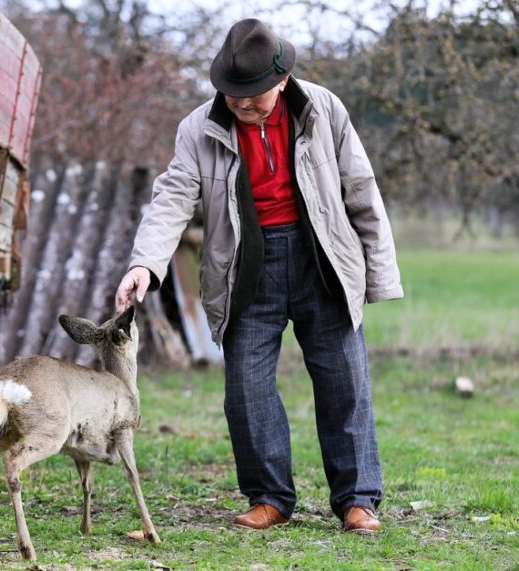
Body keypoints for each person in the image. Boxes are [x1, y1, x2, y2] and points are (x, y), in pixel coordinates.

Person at [115, 18, 402, 533]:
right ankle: (269, 497)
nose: (243, 105)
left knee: (345, 384)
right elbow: (173, 198)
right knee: (246, 388)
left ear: (282, 81)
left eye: (254, 97)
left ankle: (358, 500)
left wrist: (379, 275)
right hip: (245, 267)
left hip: (322, 261)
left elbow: (362, 189)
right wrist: (145, 264)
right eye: (233, 96)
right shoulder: (197, 129)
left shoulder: (324, 109)